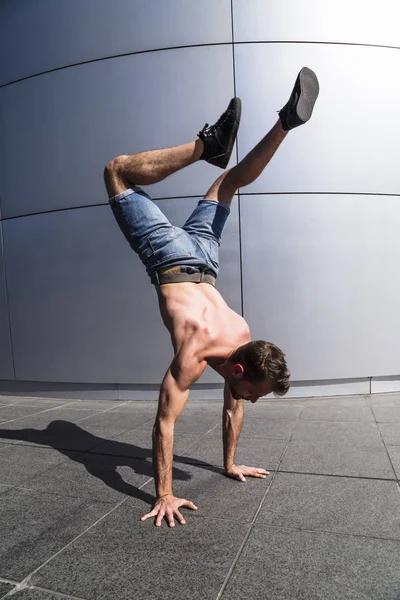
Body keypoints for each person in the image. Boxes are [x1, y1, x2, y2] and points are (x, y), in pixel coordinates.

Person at [104, 67, 319, 527]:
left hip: (204, 259)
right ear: (238, 369)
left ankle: (285, 121)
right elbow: (165, 423)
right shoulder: (197, 353)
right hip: (173, 259)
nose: (250, 401)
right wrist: (165, 493)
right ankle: (206, 146)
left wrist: (229, 464)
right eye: (253, 393)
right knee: (117, 172)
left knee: (228, 184)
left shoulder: (243, 337)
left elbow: (233, 404)